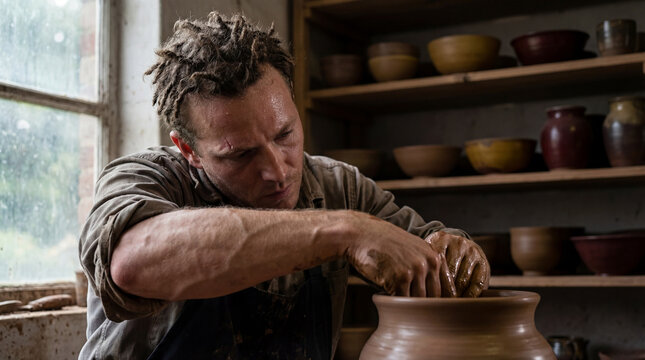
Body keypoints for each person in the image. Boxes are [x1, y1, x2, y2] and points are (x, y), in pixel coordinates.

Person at [78, 11, 489, 360]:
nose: (277, 170)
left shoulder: (337, 186)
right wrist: (343, 232)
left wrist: (455, 252)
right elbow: (130, 263)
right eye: (240, 154)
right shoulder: (144, 179)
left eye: (284, 134)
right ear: (189, 150)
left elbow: (432, 249)